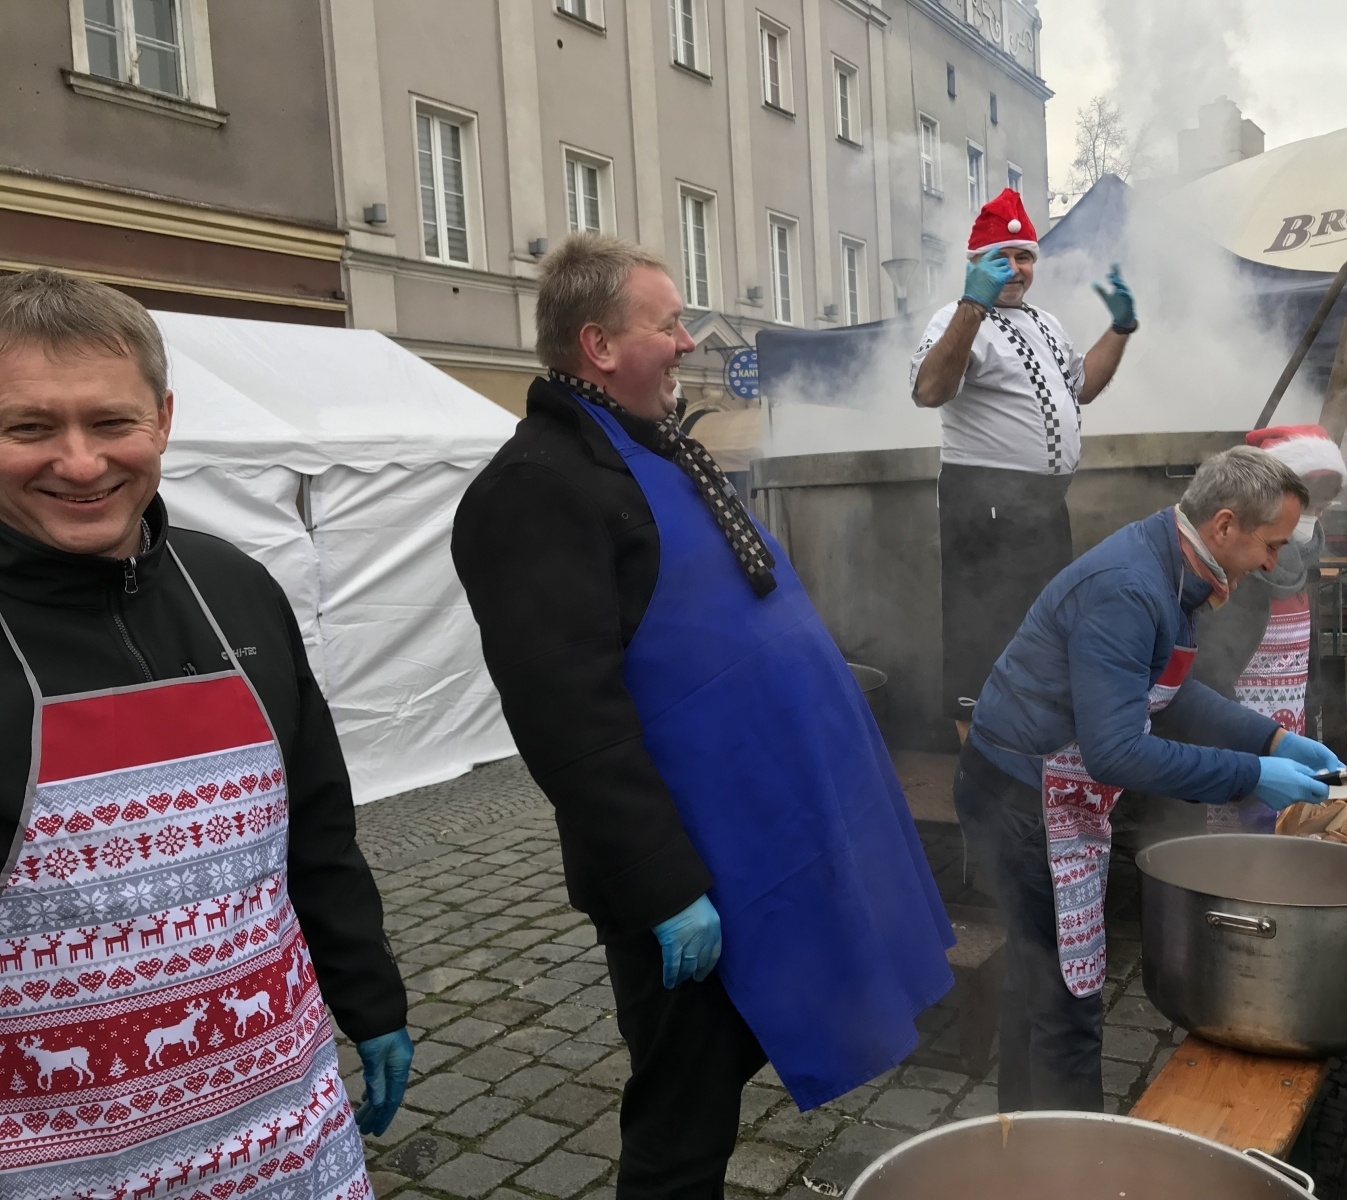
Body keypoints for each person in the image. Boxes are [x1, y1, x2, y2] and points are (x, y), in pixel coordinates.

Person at [452, 234, 953, 1200]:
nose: (689, 341)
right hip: (688, 877)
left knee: (720, 1094)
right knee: (682, 1126)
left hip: (772, 843)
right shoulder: (535, 488)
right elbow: (568, 718)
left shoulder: (654, 449)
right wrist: (664, 887)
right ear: (598, 345)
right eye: (669, 323)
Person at [0, 270, 410, 1197]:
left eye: (110, 423)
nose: (78, 461)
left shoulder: (233, 587)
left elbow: (316, 820)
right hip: (67, 1168)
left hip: (289, 1134)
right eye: (30, 427)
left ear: (164, 421)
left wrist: (369, 994)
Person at [954, 446, 1343, 1113]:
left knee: (1039, 980)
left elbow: (1170, 690)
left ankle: (1018, 1145)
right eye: (1270, 544)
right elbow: (1118, 754)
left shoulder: (1174, 566)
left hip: (1040, 790)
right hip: (1021, 800)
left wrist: (1271, 738)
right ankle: (1072, 1170)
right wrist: (1251, 774)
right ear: (1225, 526)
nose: (1274, 563)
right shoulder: (1130, 588)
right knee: (1067, 1000)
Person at [910, 188, 1136, 732]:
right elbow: (930, 390)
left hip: (1042, 506)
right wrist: (973, 305)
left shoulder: (1047, 324)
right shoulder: (953, 318)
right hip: (983, 503)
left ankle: (1035, 771)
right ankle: (982, 781)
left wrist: (1121, 328)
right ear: (975, 263)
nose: (1014, 269)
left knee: (1045, 637)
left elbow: (1081, 387)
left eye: (1024, 256)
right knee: (982, 643)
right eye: (1000, 257)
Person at [1192, 426, 1347, 834]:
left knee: (1281, 823)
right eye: (1313, 502)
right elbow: (1209, 670)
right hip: (1237, 719)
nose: (1317, 514)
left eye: (1326, 503)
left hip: (1287, 715)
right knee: (1236, 832)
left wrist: (1310, 699)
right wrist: (1242, 758)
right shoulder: (1236, 571)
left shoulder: (1301, 560)